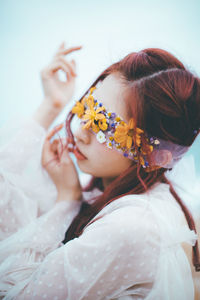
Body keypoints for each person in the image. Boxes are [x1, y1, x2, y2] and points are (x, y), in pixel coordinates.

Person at [0, 42, 199, 300]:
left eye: (105, 126)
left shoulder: (131, 226)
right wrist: (51, 106)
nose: (82, 132)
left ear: (153, 154)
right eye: (88, 108)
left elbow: (14, 294)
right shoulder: (101, 188)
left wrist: (67, 202)